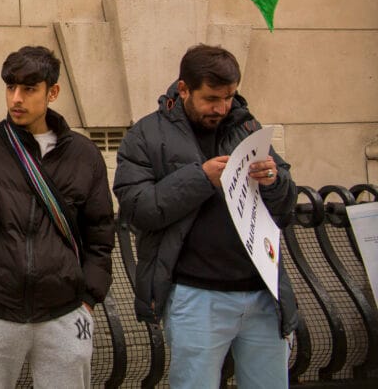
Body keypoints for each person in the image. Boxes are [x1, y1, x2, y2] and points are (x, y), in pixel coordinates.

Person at [112, 44, 298, 389]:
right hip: (196, 297)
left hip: (262, 293)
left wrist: (274, 180)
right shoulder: (146, 135)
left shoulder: (247, 126)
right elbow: (139, 208)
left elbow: (286, 207)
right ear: (183, 89)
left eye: (229, 97)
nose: (222, 107)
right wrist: (202, 178)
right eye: (211, 98)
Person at [0, 46, 114, 389]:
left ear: (52, 92)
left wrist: (88, 300)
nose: (16, 99)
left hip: (64, 312)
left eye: (29, 88)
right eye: (11, 87)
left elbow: (99, 234)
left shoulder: (84, 154)